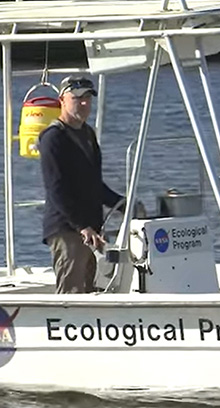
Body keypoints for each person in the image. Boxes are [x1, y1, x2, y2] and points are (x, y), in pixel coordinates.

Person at [39, 75, 124, 293]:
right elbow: (56, 189)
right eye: (77, 98)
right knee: (71, 293)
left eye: (88, 98)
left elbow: (94, 184)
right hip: (67, 229)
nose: (84, 104)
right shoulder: (53, 138)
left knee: (90, 291)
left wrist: (124, 204)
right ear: (62, 100)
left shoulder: (88, 134)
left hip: (91, 231)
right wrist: (81, 226)